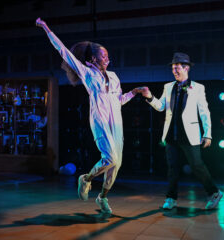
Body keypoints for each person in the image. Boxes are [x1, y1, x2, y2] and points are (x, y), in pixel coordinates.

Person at [36, 18, 143, 214]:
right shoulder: (87, 73)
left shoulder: (114, 77)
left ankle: (102, 197)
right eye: (103, 56)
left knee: (116, 164)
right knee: (110, 157)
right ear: (93, 59)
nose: (107, 59)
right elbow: (63, 52)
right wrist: (46, 28)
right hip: (100, 120)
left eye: (108, 55)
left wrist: (133, 93)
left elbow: (118, 100)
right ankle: (85, 179)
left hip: (116, 123)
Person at [142, 52, 223, 210]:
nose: (174, 71)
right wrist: (149, 96)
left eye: (177, 68)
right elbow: (161, 107)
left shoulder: (198, 88)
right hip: (172, 133)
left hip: (190, 134)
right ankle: (171, 198)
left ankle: (214, 193)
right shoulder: (168, 86)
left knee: (197, 165)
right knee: (172, 167)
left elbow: (204, 112)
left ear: (186, 68)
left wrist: (208, 134)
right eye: (173, 68)